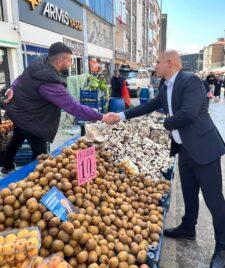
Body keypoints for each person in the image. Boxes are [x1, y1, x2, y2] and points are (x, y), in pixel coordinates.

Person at [108, 50, 225, 268]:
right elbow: (149, 106)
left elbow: (188, 114)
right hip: (185, 149)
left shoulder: (191, 81)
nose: (155, 65)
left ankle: (222, 247)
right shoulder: (165, 86)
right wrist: (121, 116)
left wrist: (163, 124)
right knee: (189, 193)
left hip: (204, 148)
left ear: (169, 63)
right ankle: (188, 228)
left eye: (158, 62)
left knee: (214, 201)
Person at [2, 42, 115, 174]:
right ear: (59, 61)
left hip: (20, 112)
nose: (71, 63)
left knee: (16, 139)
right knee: (40, 155)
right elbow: (73, 107)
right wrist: (101, 117)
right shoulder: (50, 83)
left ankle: (7, 166)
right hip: (32, 121)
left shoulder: (41, 60)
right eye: (69, 60)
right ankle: (34, 181)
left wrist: (13, 87)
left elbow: (21, 77)